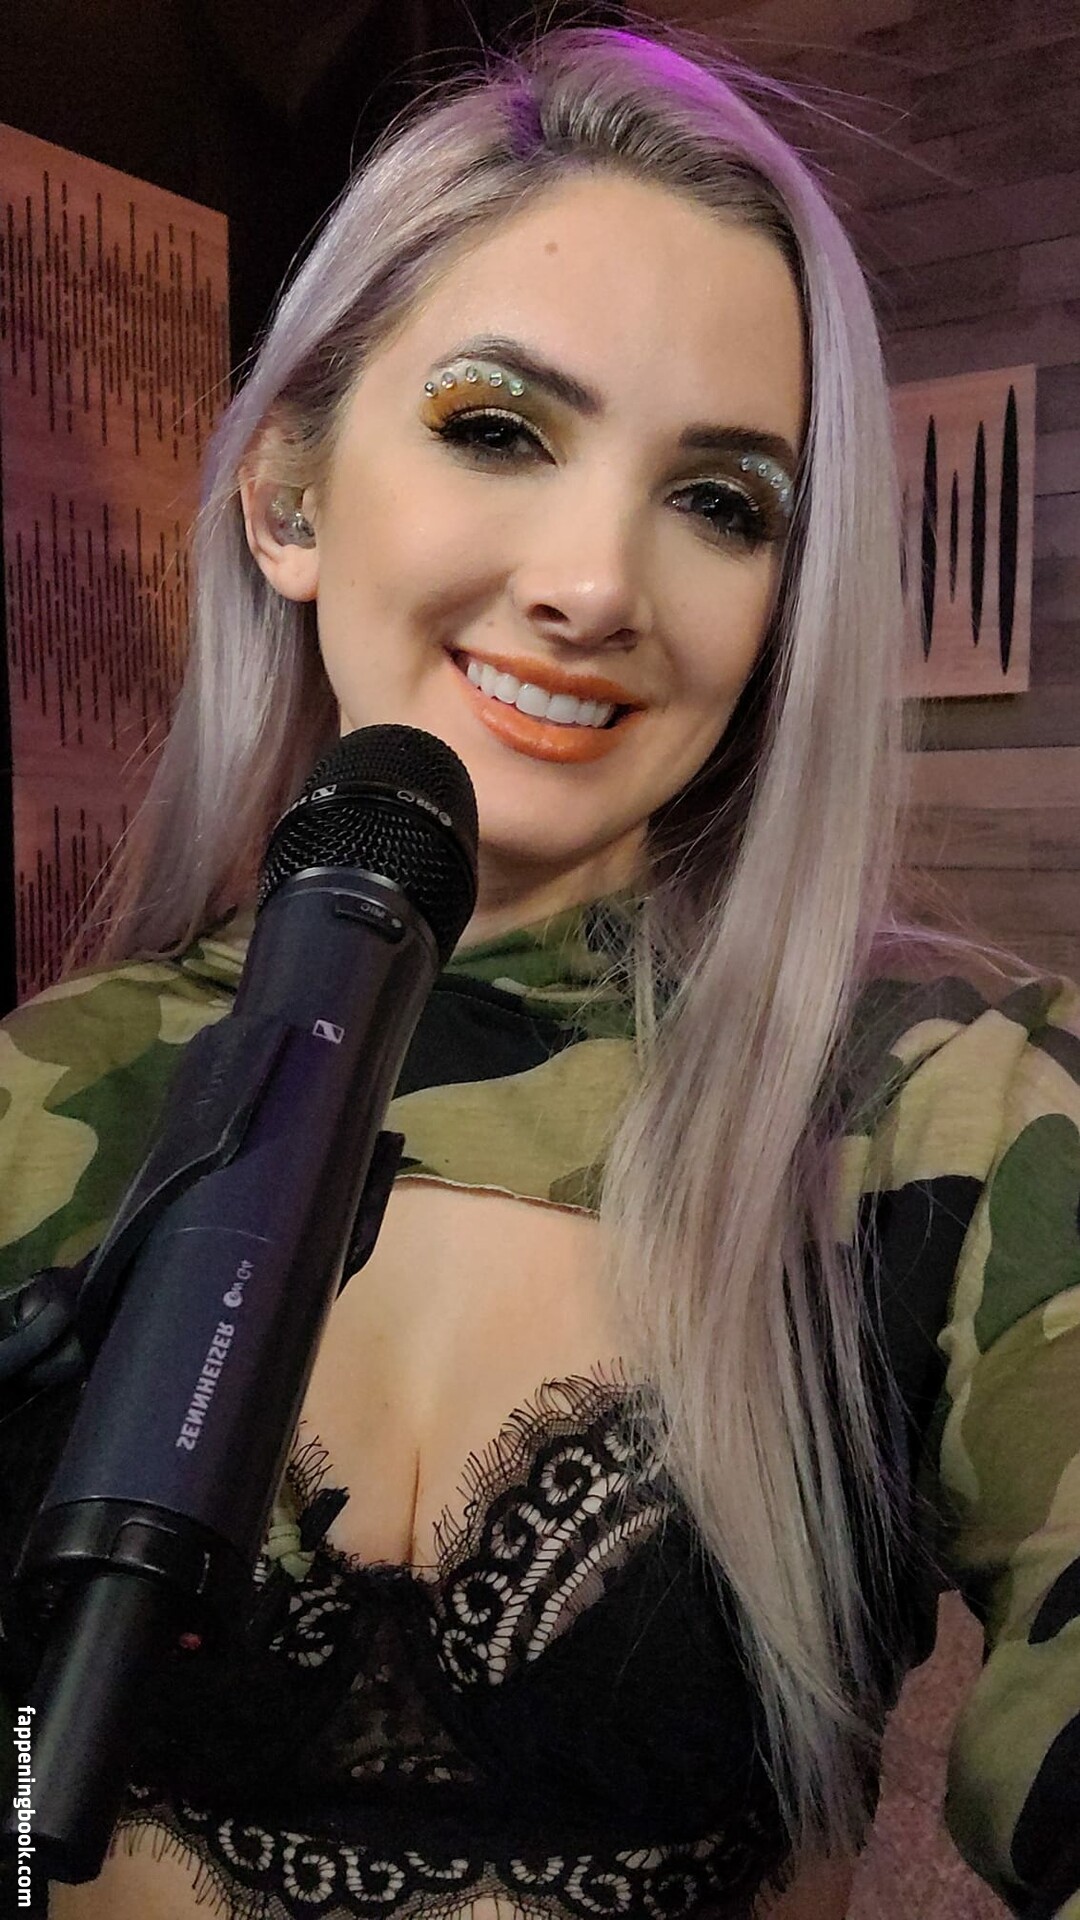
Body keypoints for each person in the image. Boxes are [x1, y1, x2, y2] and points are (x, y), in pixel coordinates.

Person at [0, 21, 1078, 1920]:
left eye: (724, 501)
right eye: (498, 428)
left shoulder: (952, 1111)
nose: (595, 584)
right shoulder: (41, 1093)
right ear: (292, 496)